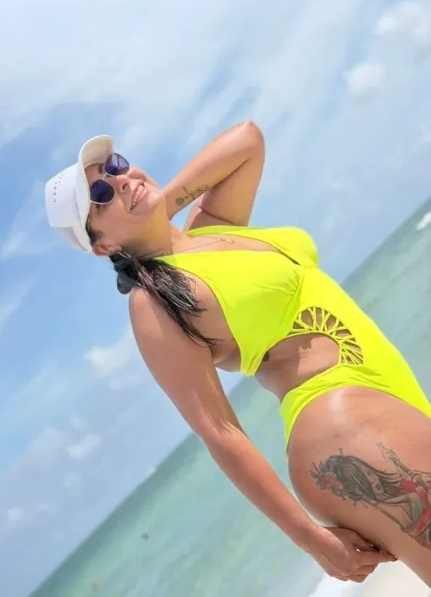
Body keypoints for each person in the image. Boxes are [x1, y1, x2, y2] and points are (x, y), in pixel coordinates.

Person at [44, 123, 431, 585]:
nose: (120, 181)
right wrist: (309, 538)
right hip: (341, 424)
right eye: (101, 195)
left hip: (387, 393)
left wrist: (150, 208)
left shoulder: (212, 228)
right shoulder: (154, 301)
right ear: (102, 246)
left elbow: (247, 141)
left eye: (115, 167)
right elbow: (219, 430)